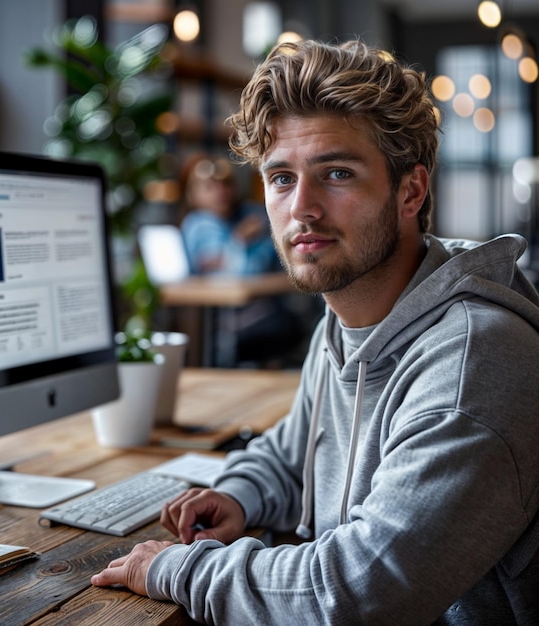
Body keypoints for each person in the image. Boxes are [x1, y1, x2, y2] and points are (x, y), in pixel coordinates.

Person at [91, 38, 539, 625]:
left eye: (335, 173)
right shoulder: (348, 313)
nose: (302, 207)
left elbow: (360, 591)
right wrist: (239, 493)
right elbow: (294, 449)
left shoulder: (472, 364)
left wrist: (174, 569)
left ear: (411, 191)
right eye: (281, 178)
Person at [178, 152, 307, 365]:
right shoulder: (199, 224)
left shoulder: (245, 215)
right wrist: (239, 240)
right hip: (226, 322)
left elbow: (276, 261)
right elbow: (236, 273)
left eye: (226, 184)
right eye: (209, 187)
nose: (220, 192)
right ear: (192, 194)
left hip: (258, 313)